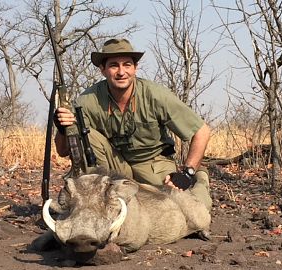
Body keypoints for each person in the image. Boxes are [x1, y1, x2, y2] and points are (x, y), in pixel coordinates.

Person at [54, 38, 211, 198]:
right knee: (85, 135)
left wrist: (188, 173)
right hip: (115, 164)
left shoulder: (156, 95)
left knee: (179, 203)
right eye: (114, 65)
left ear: (135, 68)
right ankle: (96, 195)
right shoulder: (87, 101)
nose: (121, 72)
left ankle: (200, 177)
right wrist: (62, 129)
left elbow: (202, 131)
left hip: (151, 163)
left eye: (127, 64)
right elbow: (63, 151)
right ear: (102, 69)